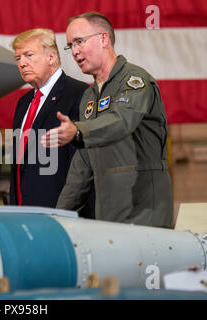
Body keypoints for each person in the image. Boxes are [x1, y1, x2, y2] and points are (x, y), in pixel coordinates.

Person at [41, 12, 173, 228]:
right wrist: (59, 218)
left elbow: (122, 121)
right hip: (109, 218)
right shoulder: (89, 97)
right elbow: (81, 169)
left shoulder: (134, 80)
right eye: (70, 46)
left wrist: (79, 131)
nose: (74, 51)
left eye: (79, 42)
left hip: (145, 214)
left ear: (103, 39)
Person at [9, 28, 94, 215]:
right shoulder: (24, 103)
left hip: (62, 214)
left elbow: (83, 164)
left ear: (52, 58)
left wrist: (67, 210)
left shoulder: (80, 94)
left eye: (29, 55)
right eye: (18, 59)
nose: (22, 63)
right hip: (24, 213)